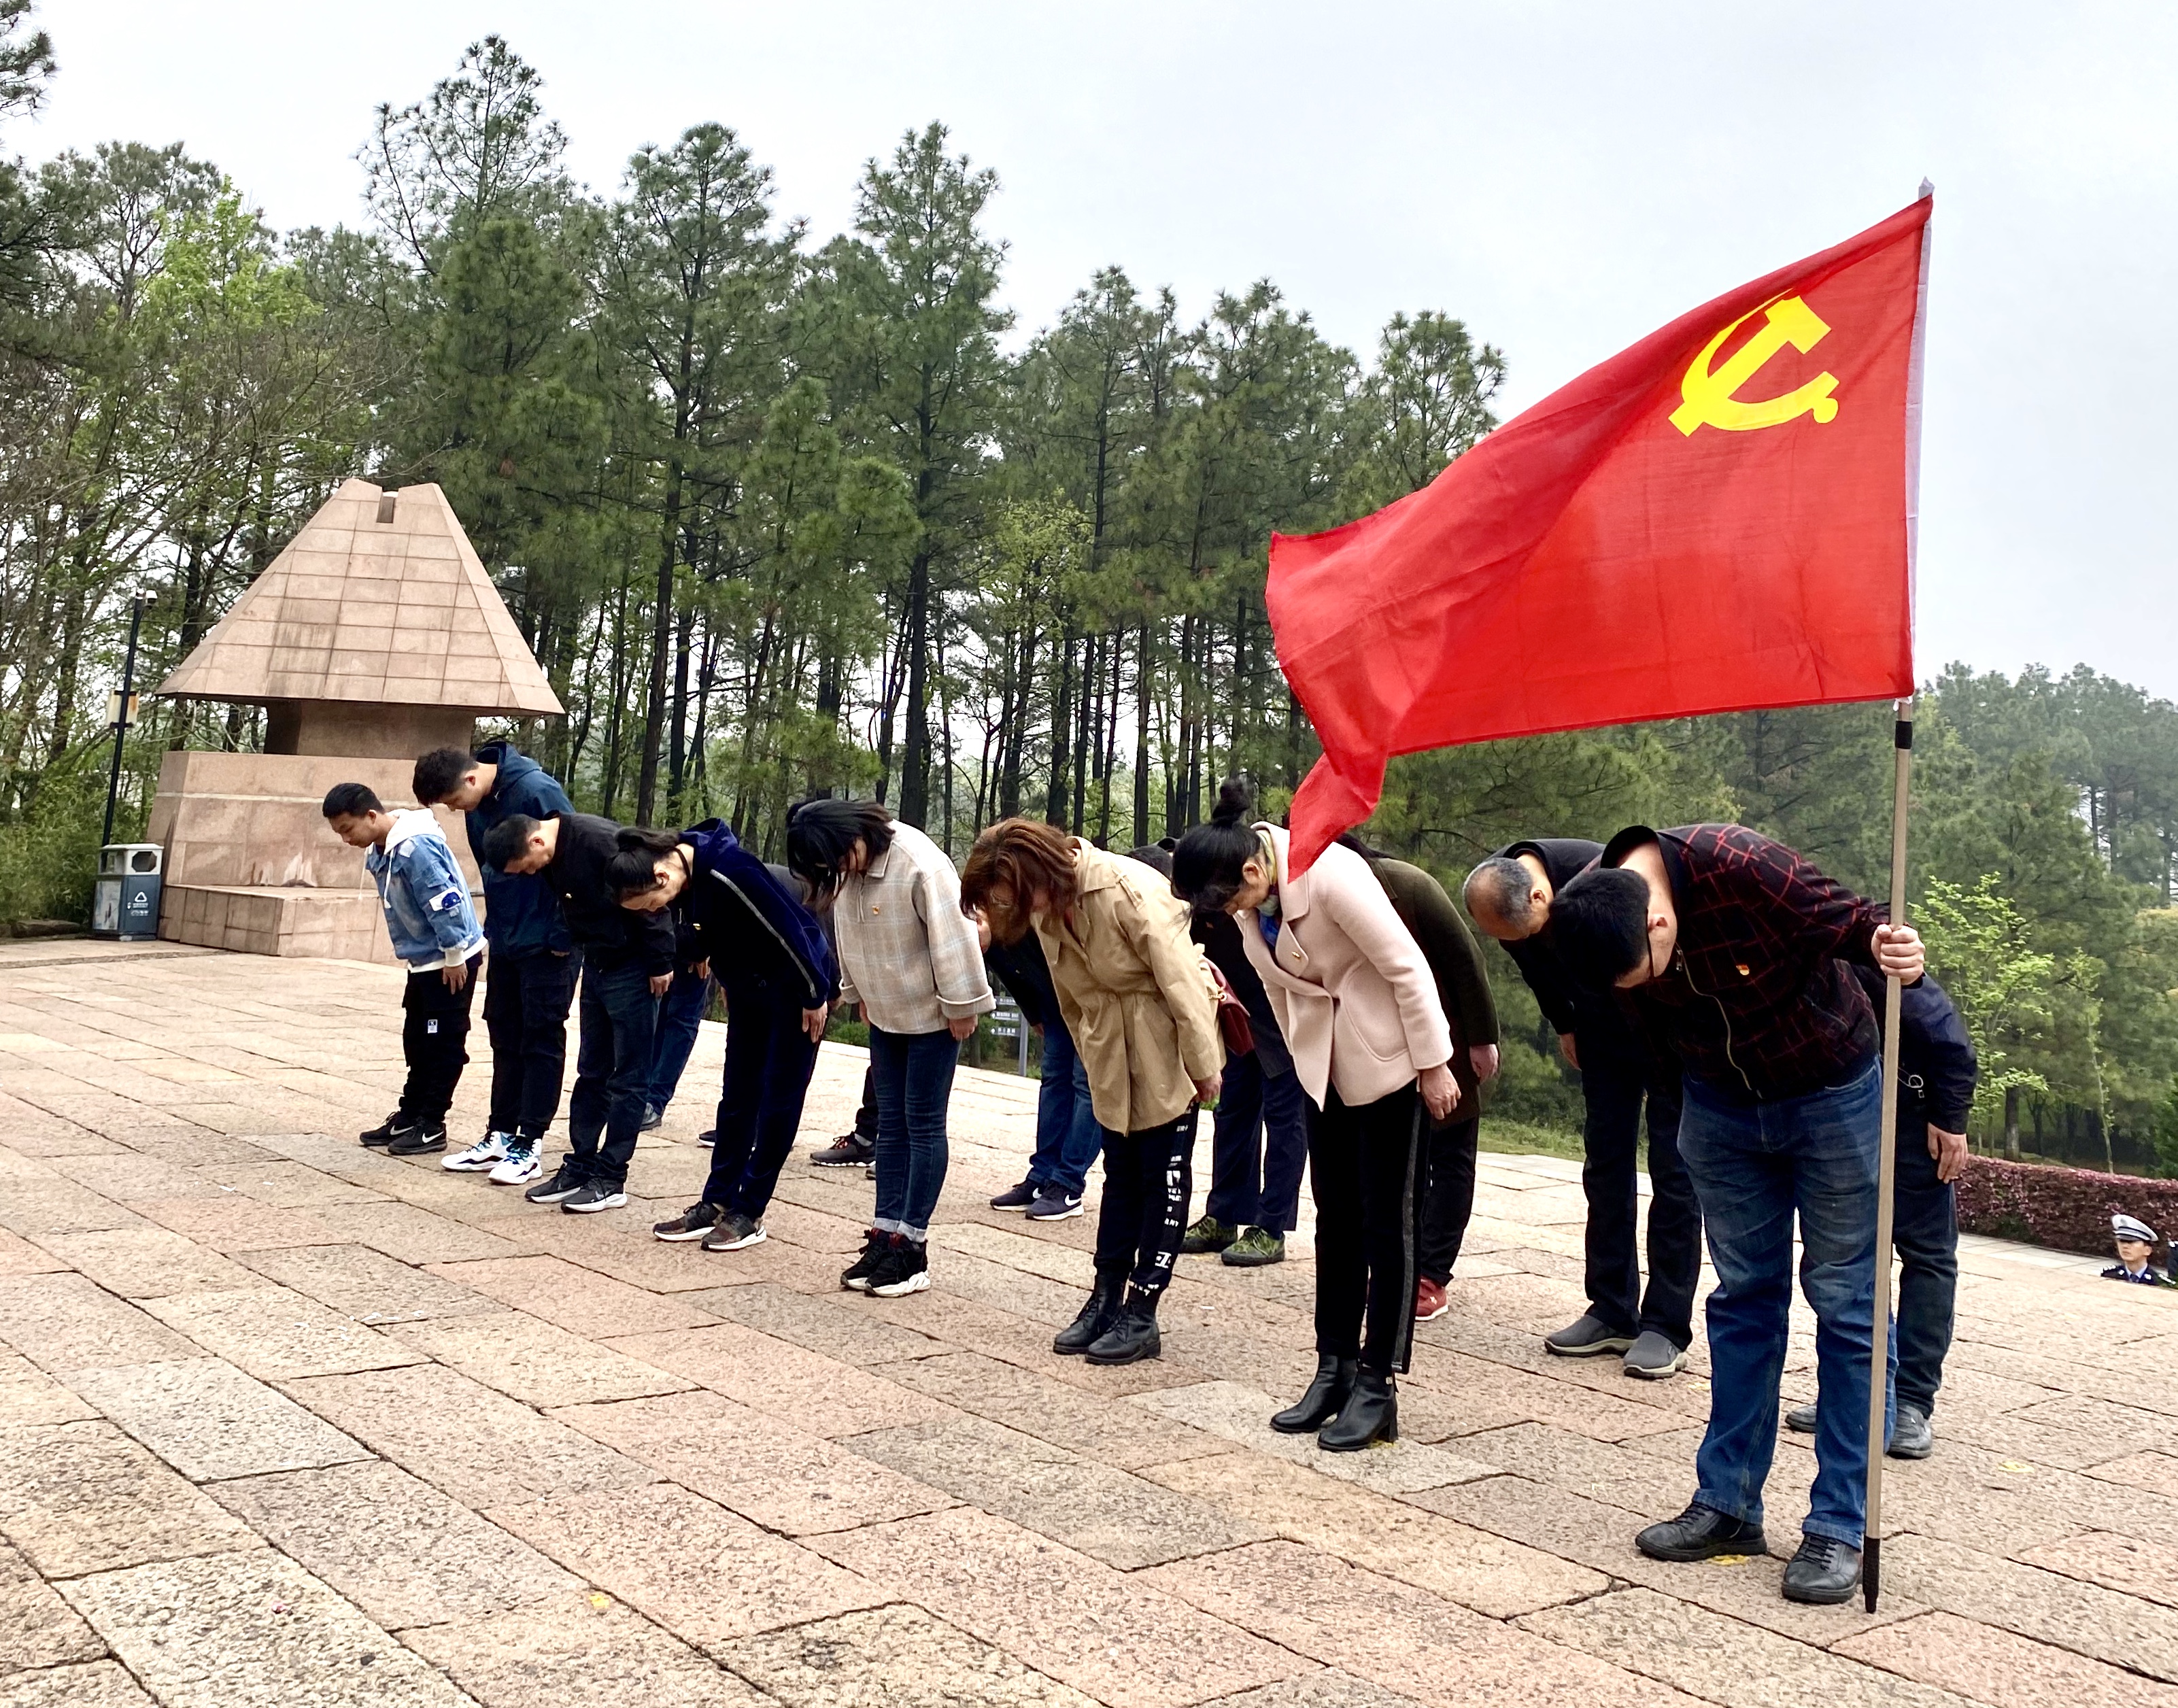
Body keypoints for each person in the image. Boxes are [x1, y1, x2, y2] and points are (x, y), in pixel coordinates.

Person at [1549, 822, 1926, 1606]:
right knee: (1742, 1298)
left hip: (1829, 1088)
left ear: (1659, 920)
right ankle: (1726, 1504)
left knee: (1848, 1302)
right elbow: (1640, 1023)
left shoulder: (1741, 864)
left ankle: (1836, 1524)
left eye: (1641, 974)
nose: (1638, 988)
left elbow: (1854, 921)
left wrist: (1895, 947)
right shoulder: (1597, 909)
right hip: (1716, 1107)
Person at [1172, 780, 1458, 1452]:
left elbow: (1407, 968)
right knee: (1335, 1221)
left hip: (1387, 1060)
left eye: (1229, 900)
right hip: (1321, 1068)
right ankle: (1331, 1367)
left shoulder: (1329, 875)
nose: (1227, 914)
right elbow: (1275, 991)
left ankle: (1376, 1383)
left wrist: (1434, 1062)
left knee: (1387, 1223)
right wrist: (1294, 1064)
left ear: (1251, 870)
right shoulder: (1249, 907)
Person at [962, 819, 1223, 1365]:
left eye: (1016, 897)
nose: (1016, 909)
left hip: (1161, 1034)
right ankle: (1105, 1298)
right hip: (1107, 1042)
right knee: (1121, 1173)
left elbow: (1179, 980)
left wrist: (1203, 1066)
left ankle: (1143, 1308)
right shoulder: (1045, 903)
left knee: (1162, 1176)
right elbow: (1067, 991)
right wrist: (1087, 1046)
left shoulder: (1126, 887)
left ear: (1039, 871)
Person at [1463, 840, 1701, 1378]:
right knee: (1605, 1167)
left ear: (1544, 895)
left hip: (1665, 1035)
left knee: (1673, 1173)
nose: (1521, 944)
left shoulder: (1602, 875)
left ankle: (1665, 1324)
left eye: (1529, 933)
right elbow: (1536, 972)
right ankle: (1611, 1309)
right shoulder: (1502, 899)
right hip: (1601, 1035)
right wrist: (1567, 1026)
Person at [786, 798, 993, 1298]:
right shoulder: (851, 867)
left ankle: (913, 1247)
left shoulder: (918, 860)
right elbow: (849, 934)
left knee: (922, 1125)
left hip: (933, 1015)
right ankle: (885, 1231)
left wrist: (962, 1003)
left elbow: (954, 934)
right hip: (885, 1012)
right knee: (891, 1127)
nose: (838, 871)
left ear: (853, 835)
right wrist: (856, 994)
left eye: (836, 859)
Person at [607, 823, 838, 1253]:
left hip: (798, 988)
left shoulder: (731, 871)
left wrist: (814, 994)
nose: (657, 911)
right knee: (737, 1097)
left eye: (653, 904)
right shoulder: (687, 877)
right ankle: (716, 1201)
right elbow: (708, 935)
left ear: (662, 877)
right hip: (751, 988)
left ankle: (749, 1212)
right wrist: (725, 975)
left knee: (778, 1101)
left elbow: (790, 932)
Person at [1786, 964, 1975, 1458]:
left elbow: (1948, 1038)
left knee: (1927, 1256)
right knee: (1845, 1257)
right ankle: (1852, 1393)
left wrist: (1949, 1116)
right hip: (1838, 1116)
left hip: (1911, 1117)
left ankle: (1911, 1400)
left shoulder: (1865, 956)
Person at [481, 810, 676, 1213]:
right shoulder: (554, 853)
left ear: (536, 843)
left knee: (629, 1078)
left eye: (525, 867)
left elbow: (650, 901)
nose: (528, 874)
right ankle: (581, 1164)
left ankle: (611, 1176)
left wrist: (660, 962)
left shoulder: (600, 842)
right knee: (592, 1072)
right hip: (598, 961)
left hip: (633, 966)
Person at [412, 743, 576, 1185]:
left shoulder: (537, 791)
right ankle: (501, 1133)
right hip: (506, 937)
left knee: (540, 1039)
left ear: (470, 779)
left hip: (547, 942)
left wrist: (561, 938)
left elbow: (571, 859)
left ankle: (531, 1142)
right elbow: (491, 870)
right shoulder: (478, 803)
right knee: (504, 1035)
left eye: (451, 801)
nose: (453, 809)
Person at [1352, 838, 1500, 1325]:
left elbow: (1465, 961)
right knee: (1396, 1161)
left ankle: (1431, 1274)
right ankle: (1395, 1261)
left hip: (1447, 1035)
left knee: (1451, 1156)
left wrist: (1481, 1039)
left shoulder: (1409, 886)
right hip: (1379, 1044)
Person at [324, 783, 484, 1158]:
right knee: (417, 1038)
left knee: (444, 1041)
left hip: (448, 960)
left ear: (371, 816)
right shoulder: (381, 850)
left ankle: (432, 1123)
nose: (347, 840)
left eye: (348, 829)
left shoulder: (415, 848)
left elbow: (445, 899)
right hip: (423, 959)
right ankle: (411, 1112)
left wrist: (455, 954)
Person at [979, 915, 1103, 1221]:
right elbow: (1013, 977)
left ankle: (1068, 1184)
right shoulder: (991, 936)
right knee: (1054, 1079)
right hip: (1054, 1002)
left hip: (1089, 996)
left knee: (1086, 1083)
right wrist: (1035, 1014)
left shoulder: (1026, 910)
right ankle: (1042, 1175)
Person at [643, 961, 716, 1130]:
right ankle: (649, 1099)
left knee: (673, 1018)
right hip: (679, 948)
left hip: (680, 949)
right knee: (673, 1019)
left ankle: (650, 1099)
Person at [2105, 1214, 2174, 1286]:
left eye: (2131, 1242)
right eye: (2122, 1241)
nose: (2125, 1246)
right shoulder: (2109, 1275)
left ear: (2147, 1250)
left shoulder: (2159, 1283)